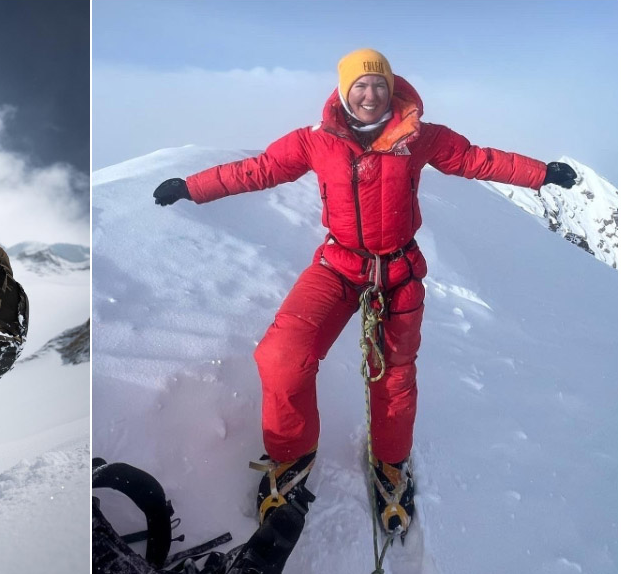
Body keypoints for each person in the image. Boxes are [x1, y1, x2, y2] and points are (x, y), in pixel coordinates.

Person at [153, 49, 578, 541]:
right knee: (282, 357)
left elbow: (474, 159)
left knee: (394, 378)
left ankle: (391, 465)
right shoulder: (317, 142)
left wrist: (540, 173)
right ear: (344, 90)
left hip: (398, 272)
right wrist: (192, 186)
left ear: (390, 89)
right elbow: (260, 169)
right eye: (361, 85)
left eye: (379, 85)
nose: (371, 94)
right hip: (339, 264)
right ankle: (291, 458)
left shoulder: (419, 137)